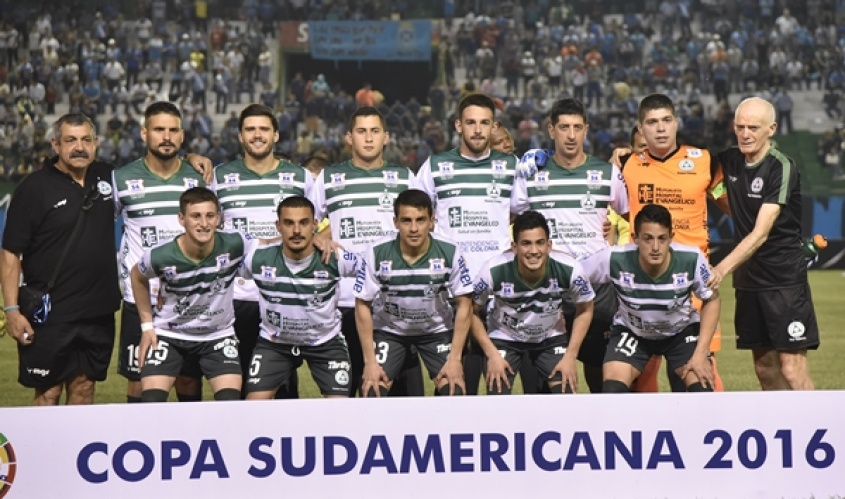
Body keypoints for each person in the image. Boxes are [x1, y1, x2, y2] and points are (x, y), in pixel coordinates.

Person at [1, 113, 120, 405]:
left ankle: (76, 440)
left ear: (96, 143)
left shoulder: (109, 176)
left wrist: (192, 159)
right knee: (48, 392)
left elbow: (154, 168)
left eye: (86, 140)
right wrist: (12, 311)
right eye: (70, 140)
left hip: (98, 311)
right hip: (50, 312)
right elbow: (10, 253)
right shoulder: (33, 188)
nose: (79, 147)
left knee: (84, 388)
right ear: (56, 144)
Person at [511, 98, 629, 393]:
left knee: (600, 372)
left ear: (586, 129)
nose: (571, 135)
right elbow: (512, 216)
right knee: (548, 377)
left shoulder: (607, 173)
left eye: (577, 127)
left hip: (597, 286)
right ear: (551, 130)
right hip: (548, 286)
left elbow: (631, 216)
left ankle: (599, 419)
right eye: (564, 127)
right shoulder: (532, 173)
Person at [617, 93, 730, 392]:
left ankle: (710, 420)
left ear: (676, 123)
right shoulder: (626, 165)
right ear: (641, 129)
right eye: (652, 122)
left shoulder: (704, 161)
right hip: (644, 284)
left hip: (693, 285)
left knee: (700, 368)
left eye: (666, 120)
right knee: (644, 372)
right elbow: (618, 212)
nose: (661, 128)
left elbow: (730, 204)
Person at [312, 106, 424, 397]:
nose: (369, 138)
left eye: (375, 131)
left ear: (386, 137)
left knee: (404, 393)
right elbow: (301, 222)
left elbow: (422, 228)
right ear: (349, 137)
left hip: (394, 299)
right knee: (348, 388)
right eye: (361, 131)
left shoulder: (405, 178)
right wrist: (318, 238)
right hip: (346, 298)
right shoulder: (328, 178)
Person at [709, 97, 818, 390]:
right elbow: (690, 169)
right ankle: (783, 420)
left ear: (771, 129)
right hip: (749, 282)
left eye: (753, 128)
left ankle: (811, 418)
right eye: (740, 127)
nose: (745, 134)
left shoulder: (781, 166)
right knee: (765, 368)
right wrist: (629, 152)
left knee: (791, 368)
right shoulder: (729, 159)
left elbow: (760, 233)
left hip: (783, 281)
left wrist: (720, 269)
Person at [417, 93, 517, 395]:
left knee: (501, 389)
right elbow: (414, 214)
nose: (477, 130)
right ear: (458, 126)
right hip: (452, 294)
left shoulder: (510, 166)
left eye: (484, 123)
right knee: (455, 390)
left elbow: (529, 213)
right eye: (471, 123)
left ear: (493, 126)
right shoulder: (435, 166)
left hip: (499, 293)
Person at [214, 103, 315, 399]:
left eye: (263, 129)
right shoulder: (219, 177)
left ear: (276, 135)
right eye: (250, 129)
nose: (257, 135)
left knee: (282, 384)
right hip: (237, 296)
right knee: (238, 381)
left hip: (283, 293)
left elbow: (320, 226)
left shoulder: (300, 177)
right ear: (240, 136)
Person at [114, 101, 208, 404]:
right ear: (144, 133)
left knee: (188, 379)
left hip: (188, 298)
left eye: (172, 130)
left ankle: (190, 434)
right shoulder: (121, 179)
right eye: (158, 130)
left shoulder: (200, 178)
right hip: (140, 298)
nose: (166, 137)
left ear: (182, 136)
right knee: (139, 379)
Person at [580, 204, 720, 392]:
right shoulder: (614, 258)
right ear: (635, 238)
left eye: (662, 239)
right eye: (648, 239)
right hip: (632, 332)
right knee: (612, 391)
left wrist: (701, 353)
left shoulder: (692, 258)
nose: (655, 247)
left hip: (681, 332)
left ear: (671, 237)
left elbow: (712, 298)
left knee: (701, 386)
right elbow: (573, 275)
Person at [130, 187, 252, 402]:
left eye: (210, 216)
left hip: (218, 335)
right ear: (181, 219)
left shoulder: (236, 243)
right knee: (151, 403)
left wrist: (312, 239)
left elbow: (270, 245)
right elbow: (137, 276)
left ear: (218, 219)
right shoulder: (160, 255)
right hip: (170, 335)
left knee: (230, 404)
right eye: (196, 216)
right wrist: (147, 326)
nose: (204, 224)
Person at [354, 189, 473, 396]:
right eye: (406, 221)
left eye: (421, 220)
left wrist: (455, 359)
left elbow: (465, 304)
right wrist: (370, 362)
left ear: (432, 221)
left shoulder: (450, 251)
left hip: (436, 331)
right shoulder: (376, 251)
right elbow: (362, 304)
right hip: (390, 331)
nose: (414, 228)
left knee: (454, 389)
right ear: (395, 222)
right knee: (372, 390)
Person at [242, 196, 356, 399]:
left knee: (339, 409)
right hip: (274, 343)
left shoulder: (335, 256)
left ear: (315, 224)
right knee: (253, 405)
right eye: (289, 223)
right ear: (278, 226)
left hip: (325, 342)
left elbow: (372, 270)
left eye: (303, 223)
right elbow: (221, 270)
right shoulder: (258, 258)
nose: (296, 230)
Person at [472, 210, 595, 394]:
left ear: (549, 245)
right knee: (497, 395)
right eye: (526, 244)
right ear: (514, 247)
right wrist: (492, 354)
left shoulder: (571, 269)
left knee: (566, 393)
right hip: (505, 337)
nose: (534, 251)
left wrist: (570, 355)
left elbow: (586, 308)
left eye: (540, 243)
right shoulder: (493, 270)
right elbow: (470, 311)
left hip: (550, 337)